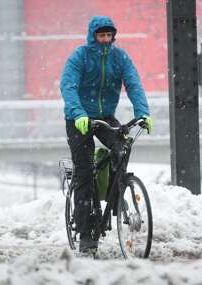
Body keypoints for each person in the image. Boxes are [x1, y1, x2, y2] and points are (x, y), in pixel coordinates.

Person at [60, 15, 153, 253]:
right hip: (79, 118)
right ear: (93, 36)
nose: (104, 39)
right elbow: (68, 86)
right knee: (84, 174)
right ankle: (85, 232)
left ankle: (115, 191)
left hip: (105, 117)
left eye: (108, 35)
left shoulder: (119, 57)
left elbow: (133, 84)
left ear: (113, 36)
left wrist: (143, 113)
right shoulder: (79, 57)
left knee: (122, 147)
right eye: (100, 35)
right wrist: (78, 113)